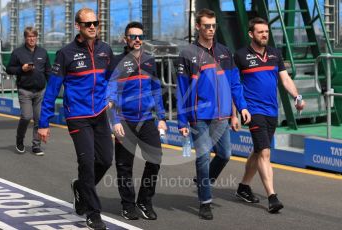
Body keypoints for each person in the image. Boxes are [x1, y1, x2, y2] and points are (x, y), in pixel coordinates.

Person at [38, 8, 114, 230]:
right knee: (87, 163)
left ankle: (81, 188)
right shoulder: (65, 53)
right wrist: (43, 123)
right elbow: (52, 90)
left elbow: (112, 81)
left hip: (99, 114)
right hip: (77, 117)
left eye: (95, 23)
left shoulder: (106, 50)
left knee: (105, 161)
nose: (92, 26)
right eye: (87, 23)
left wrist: (111, 98)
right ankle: (93, 213)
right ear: (77, 26)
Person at [176, 8, 251, 220]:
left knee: (225, 154)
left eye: (213, 25)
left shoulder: (225, 52)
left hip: (222, 115)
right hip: (198, 116)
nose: (210, 29)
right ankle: (205, 202)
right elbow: (181, 90)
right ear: (198, 26)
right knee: (202, 158)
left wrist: (240, 108)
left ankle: (204, 181)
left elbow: (234, 84)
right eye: (206, 25)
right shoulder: (187, 54)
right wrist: (182, 120)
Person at [234, 17, 305, 213]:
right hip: (253, 111)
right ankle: (272, 197)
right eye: (260, 32)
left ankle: (243, 187)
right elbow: (233, 85)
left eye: (266, 31)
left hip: (272, 111)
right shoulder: (240, 55)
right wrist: (235, 113)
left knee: (258, 151)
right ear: (251, 34)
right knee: (265, 152)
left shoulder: (275, 54)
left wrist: (297, 97)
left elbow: (285, 79)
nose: (265, 35)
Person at [107, 21, 167, 221]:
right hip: (124, 121)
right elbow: (111, 93)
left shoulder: (150, 61)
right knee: (125, 165)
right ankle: (127, 204)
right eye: (133, 36)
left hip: (147, 119)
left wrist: (161, 117)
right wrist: (114, 121)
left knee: (155, 160)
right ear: (126, 39)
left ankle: (144, 201)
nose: (137, 39)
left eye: (140, 36)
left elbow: (156, 89)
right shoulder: (116, 62)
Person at [6, 26, 51, 156]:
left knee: (38, 118)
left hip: (40, 91)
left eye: (33, 36)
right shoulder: (18, 52)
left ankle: (36, 146)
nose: (31, 39)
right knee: (26, 116)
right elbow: (9, 69)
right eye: (29, 37)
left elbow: (48, 71)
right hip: (25, 90)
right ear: (25, 38)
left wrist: (51, 89)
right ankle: (19, 140)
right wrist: (22, 69)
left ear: (37, 37)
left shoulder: (43, 52)